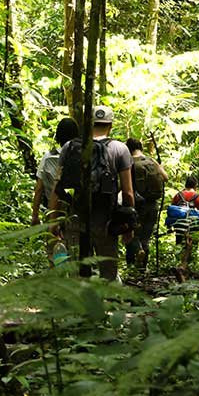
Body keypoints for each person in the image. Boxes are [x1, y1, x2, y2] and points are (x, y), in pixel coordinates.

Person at [49, 105, 134, 281]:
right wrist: (128, 225)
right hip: (105, 221)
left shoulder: (69, 147)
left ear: (88, 124)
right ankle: (106, 306)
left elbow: (58, 188)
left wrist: (53, 221)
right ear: (110, 125)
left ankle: (79, 306)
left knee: (77, 274)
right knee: (108, 274)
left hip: (75, 219)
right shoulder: (120, 149)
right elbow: (128, 193)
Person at [31, 117, 80, 262]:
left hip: (53, 210)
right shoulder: (81, 156)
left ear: (58, 136)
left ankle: (58, 273)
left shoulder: (48, 157)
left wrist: (35, 215)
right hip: (75, 209)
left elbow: (39, 188)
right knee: (75, 247)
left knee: (53, 248)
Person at [125, 138, 167, 270]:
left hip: (137, 205)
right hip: (153, 205)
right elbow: (166, 177)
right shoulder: (151, 161)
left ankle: (131, 267)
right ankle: (143, 269)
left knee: (133, 236)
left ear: (128, 149)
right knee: (146, 238)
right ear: (140, 147)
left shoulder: (129, 162)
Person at [170, 176, 199, 280]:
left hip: (180, 226)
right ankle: (186, 270)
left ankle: (180, 267)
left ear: (185, 185)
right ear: (196, 186)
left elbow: (172, 212)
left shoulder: (178, 195)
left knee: (181, 246)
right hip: (194, 226)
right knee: (192, 248)